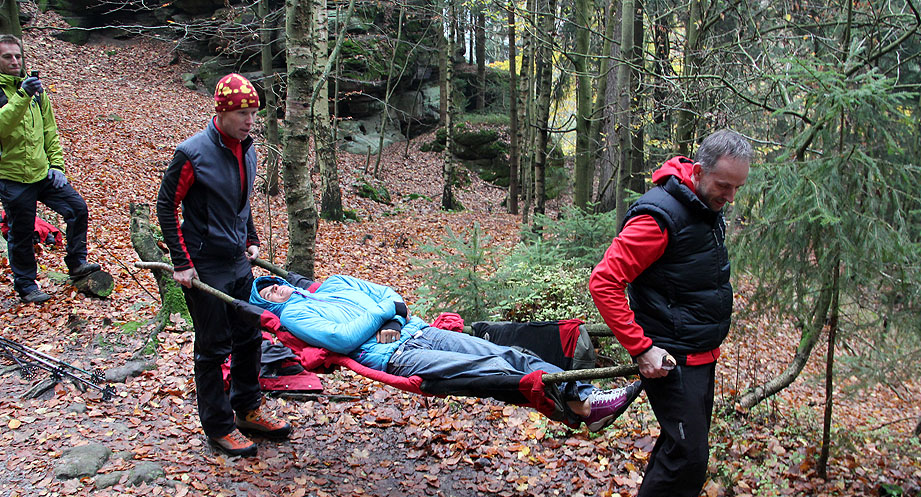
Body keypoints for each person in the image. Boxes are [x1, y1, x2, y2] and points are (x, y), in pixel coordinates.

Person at [589, 129, 752, 497]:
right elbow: (604, 282)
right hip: (671, 360)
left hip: (702, 353)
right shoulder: (659, 217)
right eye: (724, 186)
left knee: (677, 448)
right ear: (699, 172)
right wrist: (641, 348)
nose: (730, 196)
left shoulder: (704, 206)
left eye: (738, 188)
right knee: (690, 458)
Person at [249, 274, 643, 431]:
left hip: (419, 330)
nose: (275, 291)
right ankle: (583, 407)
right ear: (270, 306)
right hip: (396, 357)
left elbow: (387, 295)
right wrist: (387, 314)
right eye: (266, 294)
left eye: (274, 284)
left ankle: (586, 399)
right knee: (491, 367)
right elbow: (342, 340)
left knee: (508, 352)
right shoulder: (296, 314)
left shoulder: (333, 284)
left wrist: (389, 315)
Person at [157, 73, 290, 458]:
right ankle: (218, 426)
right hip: (205, 263)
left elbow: (241, 200)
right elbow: (166, 206)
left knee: (250, 337)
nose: (251, 120)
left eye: (254, 113)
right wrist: (182, 263)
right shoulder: (192, 154)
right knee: (213, 348)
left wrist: (250, 238)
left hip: (237, 261)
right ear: (223, 111)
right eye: (243, 113)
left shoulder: (247, 147)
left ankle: (247, 409)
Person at [0, 34, 102, 304]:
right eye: (7, 56)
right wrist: (22, 95)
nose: (14, 61)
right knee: (21, 233)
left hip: (42, 172)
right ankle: (26, 286)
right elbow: (2, 127)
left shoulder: (35, 91)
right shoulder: (15, 92)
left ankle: (77, 262)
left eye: (17, 56)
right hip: (12, 176)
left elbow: (49, 130)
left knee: (77, 208)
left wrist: (56, 164)